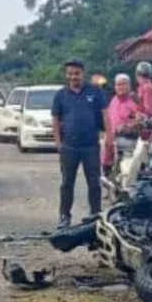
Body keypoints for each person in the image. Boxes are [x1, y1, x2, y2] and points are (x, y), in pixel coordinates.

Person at [52, 59, 109, 229]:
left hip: (91, 146)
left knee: (94, 183)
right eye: (70, 74)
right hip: (69, 147)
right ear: (66, 75)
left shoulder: (95, 92)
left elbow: (105, 115)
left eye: (76, 73)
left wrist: (109, 137)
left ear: (83, 74)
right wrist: (58, 143)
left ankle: (95, 216)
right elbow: (55, 120)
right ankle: (64, 217)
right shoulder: (60, 95)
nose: (73, 77)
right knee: (67, 183)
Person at [103, 73, 141, 176]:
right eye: (118, 84)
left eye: (124, 84)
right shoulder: (113, 100)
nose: (121, 87)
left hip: (127, 142)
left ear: (129, 86)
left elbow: (141, 121)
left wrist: (127, 126)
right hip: (111, 144)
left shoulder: (134, 101)